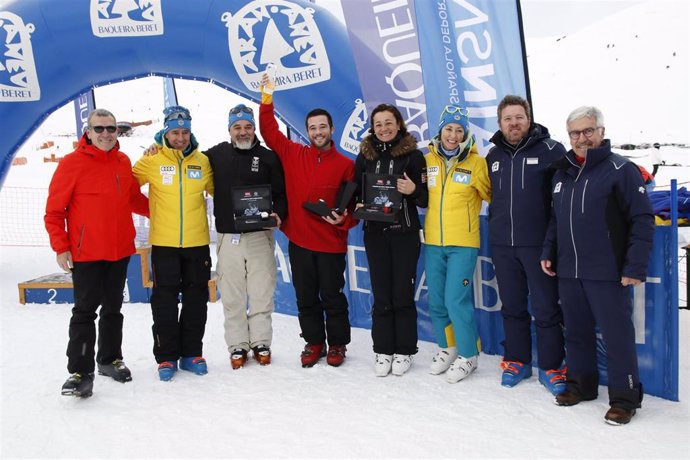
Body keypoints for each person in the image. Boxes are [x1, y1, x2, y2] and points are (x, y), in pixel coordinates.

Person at [540, 106, 654, 425]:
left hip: (608, 273)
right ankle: (581, 385)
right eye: (575, 133)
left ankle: (624, 398)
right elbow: (555, 219)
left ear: (601, 132)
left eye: (588, 131)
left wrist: (634, 266)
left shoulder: (621, 170)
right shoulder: (562, 173)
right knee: (576, 332)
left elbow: (643, 220)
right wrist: (549, 250)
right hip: (569, 270)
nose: (581, 138)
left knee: (617, 336)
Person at [45, 108, 149, 397]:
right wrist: (61, 246)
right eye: (99, 129)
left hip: (119, 249)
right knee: (84, 312)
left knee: (113, 309)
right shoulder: (71, 163)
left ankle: (109, 359)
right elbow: (54, 212)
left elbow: (131, 198)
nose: (105, 134)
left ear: (118, 131)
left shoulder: (122, 160)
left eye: (111, 129)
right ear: (88, 132)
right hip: (86, 252)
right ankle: (79, 372)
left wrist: (163, 212)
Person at [259, 73, 357, 368]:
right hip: (300, 242)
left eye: (322, 127)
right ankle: (314, 342)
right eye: (312, 127)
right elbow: (268, 130)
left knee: (333, 297)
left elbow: (353, 211)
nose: (318, 131)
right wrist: (267, 95)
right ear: (306, 131)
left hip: (330, 245)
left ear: (331, 129)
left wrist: (342, 221)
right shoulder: (292, 153)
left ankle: (337, 344)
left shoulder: (346, 165)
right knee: (305, 297)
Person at [485, 95, 567, 395]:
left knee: (546, 308)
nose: (514, 123)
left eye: (519, 117)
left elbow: (561, 201)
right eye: (508, 118)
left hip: (538, 246)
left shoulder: (551, 150)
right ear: (500, 123)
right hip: (503, 245)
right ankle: (517, 360)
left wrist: (552, 243)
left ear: (528, 118)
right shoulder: (493, 156)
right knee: (513, 306)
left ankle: (552, 366)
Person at [132, 105, 214, 382]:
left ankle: (192, 353)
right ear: (165, 133)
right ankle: (166, 356)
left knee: (196, 300)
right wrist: (150, 210)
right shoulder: (152, 160)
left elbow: (220, 191)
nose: (180, 137)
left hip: (197, 243)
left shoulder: (202, 161)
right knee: (164, 302)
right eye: (175, 132)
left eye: (185, 132)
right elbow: (127, 187)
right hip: (164, 245)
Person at [204, 104, 287, 369]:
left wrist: (279, 214)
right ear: (229, 130)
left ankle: (261, 342)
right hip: (229, 237)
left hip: (259, 236)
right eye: (237, 127)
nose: (243, 132)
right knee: (232, 294)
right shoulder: (215, 155)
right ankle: (238, 345)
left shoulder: (268, 157)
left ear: (254, 128)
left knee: (262, 291)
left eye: (248, 127)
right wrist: (158, 149)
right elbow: (186, 159)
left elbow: (282, 195)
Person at [354, 103, 427, 377]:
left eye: (388, 122)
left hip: (405, 235)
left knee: (402, 294)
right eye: (378, 124)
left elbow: (425, 198)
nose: (383, 129)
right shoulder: (365, 156)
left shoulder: (414, 156)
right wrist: (356, 204)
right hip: (375, 235)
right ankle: (383, 349)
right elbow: (356, 191)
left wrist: (411, 190)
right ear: (372, 128)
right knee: (381, 293)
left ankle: (405, 350)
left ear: (399, 124)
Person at [424, 105, 491, 383]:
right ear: (440, 131)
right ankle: (447, 346)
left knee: (456, 299)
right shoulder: (427, 160)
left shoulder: (476, 164)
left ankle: (468, 354)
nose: (453, 135)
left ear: (465, 134)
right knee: (437, 301)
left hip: (463, 243)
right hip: (433, 241)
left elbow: (493, 196)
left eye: (459, 129)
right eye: (449, 128)